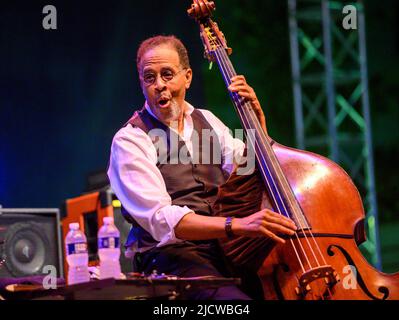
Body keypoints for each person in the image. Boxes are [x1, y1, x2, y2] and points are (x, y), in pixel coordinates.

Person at [107, 35, 297, 300]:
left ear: (188, 77)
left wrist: (258, 123)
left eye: (167, 74)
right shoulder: (130, 140)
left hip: (227, 248)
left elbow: (249, 171)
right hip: (174, 259)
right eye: (149, 77)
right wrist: (236, 224)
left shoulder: (206, 120)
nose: (159, 85)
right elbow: (162, 219)